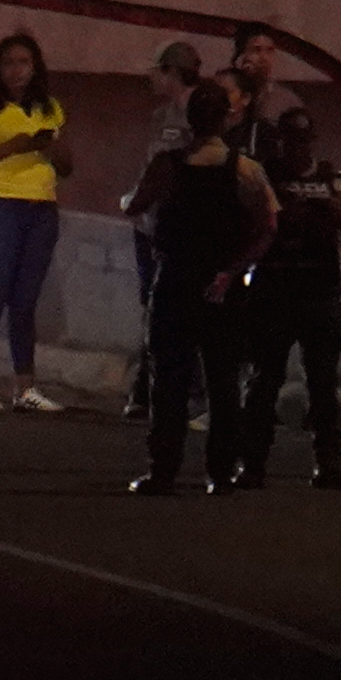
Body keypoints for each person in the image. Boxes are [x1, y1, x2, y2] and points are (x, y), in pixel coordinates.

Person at [123, 70, 272, 496]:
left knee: (168, 377)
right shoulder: (245, 168)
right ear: (226, 118)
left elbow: (135, 205)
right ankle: (221, 472)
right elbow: (267, 226)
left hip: (175, 279)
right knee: (223, 379)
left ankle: (163, 468)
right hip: (221, 284)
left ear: (188, 118)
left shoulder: (166, 165)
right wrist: (232, 269)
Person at [237, 106, 341, 492]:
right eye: (290, 140)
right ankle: (252, 464)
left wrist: (333, 215)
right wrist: (284, 217)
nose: (297, 149)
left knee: (323, 384)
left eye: (303, 141)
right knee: (264, 381)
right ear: (280, 141)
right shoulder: (265, 176)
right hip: (275, 290)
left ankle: (328, 463)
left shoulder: (332, 180)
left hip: (319, 291)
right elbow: (248, 224)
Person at [0, 30, 72, 413]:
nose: (16, 71)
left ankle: (26, 386)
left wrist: (51, 146)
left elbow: (68, 166)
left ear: (35, 67)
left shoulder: (49, 108)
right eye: (8, 63)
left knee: (25, 299)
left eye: (23, 63)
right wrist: (14, 146)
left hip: (40, 207)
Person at [122, 42, 207, 420]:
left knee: (176, 310)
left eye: (158, 71)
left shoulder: (199, 116)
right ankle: (150, 388)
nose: (151, 78)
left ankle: (183, 389)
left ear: (172, 71)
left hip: (179, 230)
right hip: (149, 227)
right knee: (154, 308)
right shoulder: (161, 116)